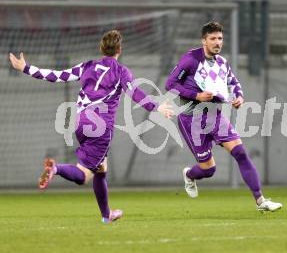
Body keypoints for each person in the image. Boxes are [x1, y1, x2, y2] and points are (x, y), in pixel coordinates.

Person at [9, 30, 173, 223]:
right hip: (101, 127)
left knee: (101, 168)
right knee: (83, 175)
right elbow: (134, 93)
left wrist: (26, 68)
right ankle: (56, 169)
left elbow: (57, 75)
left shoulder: (87, 66)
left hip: (80, 123)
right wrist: (156, 106)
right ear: (119, 49)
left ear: (101, 48)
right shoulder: (121, 71)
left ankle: (107, 215)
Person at [165, 21, 282, 212]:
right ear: (204, 40)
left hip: (215, 117)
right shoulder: (191, 58)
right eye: (213, 39)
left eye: (220, 38)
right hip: (191, 120)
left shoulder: (222, 62)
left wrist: (239, 97)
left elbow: (233, 82)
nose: (217, 42)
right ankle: (190, 175)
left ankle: (261, 201)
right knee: (208, 170)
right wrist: (196, 96)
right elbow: (170, 84)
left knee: (240, 153)